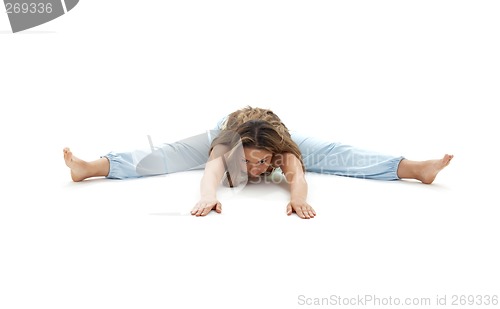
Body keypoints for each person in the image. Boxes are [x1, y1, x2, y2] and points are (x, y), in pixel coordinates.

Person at [63, 106, 453, 219]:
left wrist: (298, 198)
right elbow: (212, 170)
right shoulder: (225, 147)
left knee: (339, 154)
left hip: (272, 130)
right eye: (248, 163)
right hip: (227, 129)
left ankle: (416, 169)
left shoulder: (283, 149)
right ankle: (90, 167)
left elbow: (297, 175)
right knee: (164, 156)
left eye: (261, 163)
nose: (255, 171)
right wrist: (207, 197)